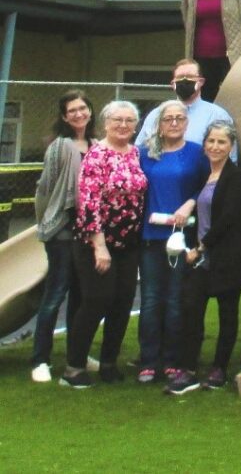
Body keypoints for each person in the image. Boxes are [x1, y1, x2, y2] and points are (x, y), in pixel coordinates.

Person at [61, 101, 147, 388]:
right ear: (106, 123)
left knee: (122, 302)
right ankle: (74, 366)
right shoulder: (97, 155)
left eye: (129, 120)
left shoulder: (136, 153)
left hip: (129, 242)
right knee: (97, 299)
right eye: (117, 120)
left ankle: (109, 362)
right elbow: (87, 202)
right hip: (96, 242)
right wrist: (99, 245)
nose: (123, 125)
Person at [165, 122, 241, 394]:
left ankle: (219, 369)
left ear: (231, 146)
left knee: (227, 314)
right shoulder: (204, 175)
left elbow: (228, 219)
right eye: (211, 141)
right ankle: (188, 368)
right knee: (192, 311)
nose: (215, 146)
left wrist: (201, 247)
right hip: (200, 258)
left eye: (222, 142)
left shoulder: (237, 177)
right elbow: (197, 217)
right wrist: (193, 246)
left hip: (227, 258)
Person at [136, 100, 209, 384]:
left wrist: (190, 203)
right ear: (159, 122)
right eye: (169, 118)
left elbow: (207, 185)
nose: (175, 123)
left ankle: (172, 360)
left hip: (182, 239)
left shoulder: (196, 154)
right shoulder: (145, 153)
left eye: (180, 118)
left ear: (187, 123)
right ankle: (148, 361)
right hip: (151, 237)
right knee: (152, 299)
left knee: (176, 299)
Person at [31, 90, 95, 383]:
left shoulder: (95, 145)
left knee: (81, 295)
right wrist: (48, 222)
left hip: (87, 232)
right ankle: (40, 360)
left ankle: (76, 355)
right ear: (64, 117)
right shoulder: (60, 146)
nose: (78, 114)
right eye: (72, 110)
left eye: (82, 108)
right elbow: (45, 189)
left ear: (90, 111)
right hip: (62, 231)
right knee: (56, 293)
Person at [136, 59, 236, 157]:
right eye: (180, 77)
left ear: (201, 82)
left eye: (190, 76)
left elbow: (230, 158)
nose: (184, 81)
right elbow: (138, 152)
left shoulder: (217, 116)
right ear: (172, 84)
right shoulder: (156, 114)